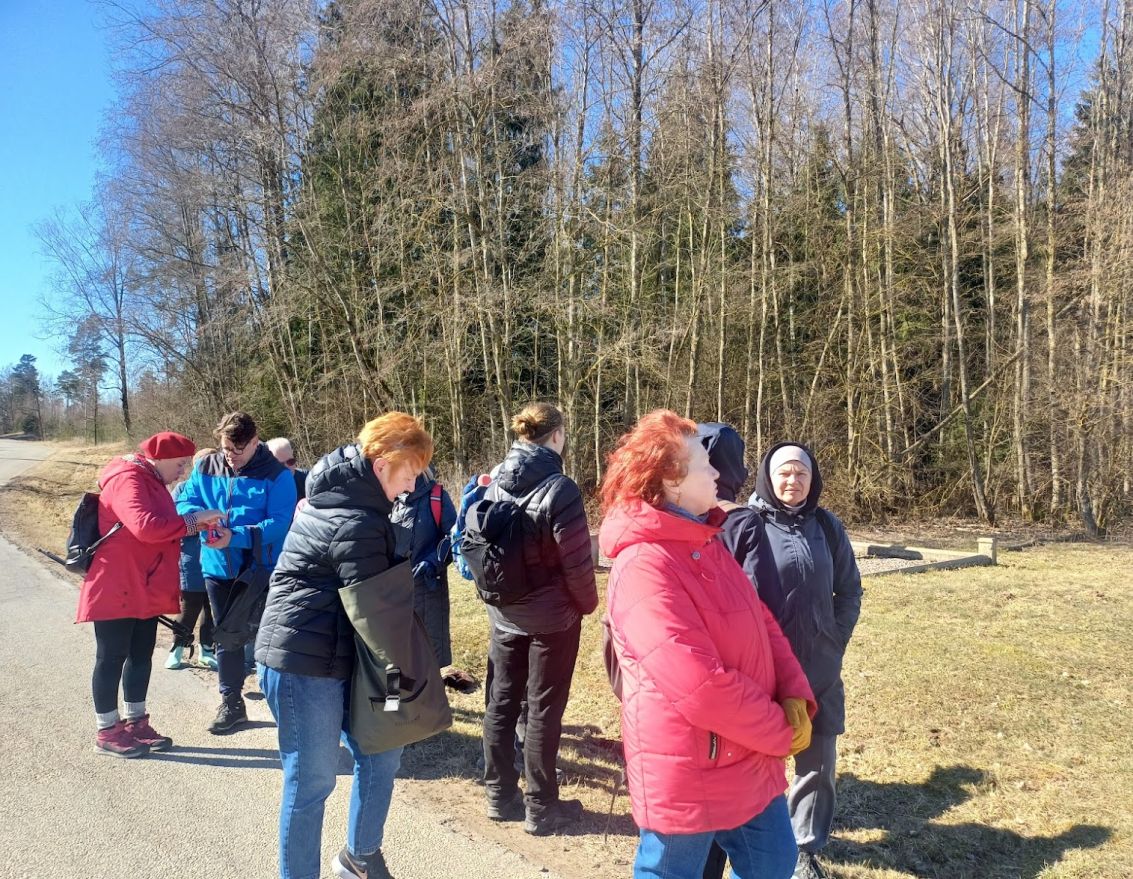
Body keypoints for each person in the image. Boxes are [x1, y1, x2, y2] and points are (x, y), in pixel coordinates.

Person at [598, 410, 816, 879]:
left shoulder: (705, 539)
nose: (717, 472)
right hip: (690, 764)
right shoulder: (643, 566)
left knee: (775, 862)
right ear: (672, 481)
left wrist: (795, 691)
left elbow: (760, 621)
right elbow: (699, 685)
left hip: (747, 755)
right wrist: (779, 730)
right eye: (704, 464)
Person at [255, 412, 433, 879]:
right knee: (311, 781)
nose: (411, 486)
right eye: (410, 473)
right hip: (302, 663)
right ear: (383, 463)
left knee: (382, 752)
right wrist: (398, 688)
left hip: (343, 654)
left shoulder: (357, 504)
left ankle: (360, 856)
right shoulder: (356, 519)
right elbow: (382, 616)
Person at [747, 443, 863, 879]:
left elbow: (849, 590)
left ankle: (803, 849)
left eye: (801, 474)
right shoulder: (746, 525)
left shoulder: (828, 527)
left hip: (818, 668)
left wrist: (835, 639)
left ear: (813, 480)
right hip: (763, 671)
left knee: (817, 763)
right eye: (784, 473)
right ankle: (759, 841)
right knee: (759, 761)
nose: (793, 481)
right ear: (767, 476)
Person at [481, 402, 597, 836]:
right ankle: (541, 807)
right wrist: (585, 605)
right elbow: (577, 562)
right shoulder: (560, 488)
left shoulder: (495, 479)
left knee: (502, 702)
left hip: (504, 612)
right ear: (556, 436)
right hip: (551, 619)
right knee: (543, 709)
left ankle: (498, 794)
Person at [76, 431, 224, 757]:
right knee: (112, 656)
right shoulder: (127, 477)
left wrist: (195, 524)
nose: (183, 471)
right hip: (116, 584)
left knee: (141, 655)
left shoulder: (152, 480)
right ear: (161, 458)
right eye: (181, 464)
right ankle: (107, 730)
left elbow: (164, 523)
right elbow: (145, 525)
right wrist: (192, 520)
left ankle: (135, 723)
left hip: (143, 584)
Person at [695, 423, 783, 879]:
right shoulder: (743, 520)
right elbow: (757, 603)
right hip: (736, 672)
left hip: (693, 669)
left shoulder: (683, 516)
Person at [176, 411, 297, 734]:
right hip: (216, 567)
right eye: (226, 448)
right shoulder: (206, 466)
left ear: (256, 442)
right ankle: (231, 702)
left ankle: (287, 705)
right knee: (226, 635)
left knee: (269, 637)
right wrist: (201, 517)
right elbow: (184, 501)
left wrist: (237, 536)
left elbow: (281, 522)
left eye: (237, 450)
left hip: (262, 569)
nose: (230, 457)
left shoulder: (277, 475)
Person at [390, 468, 476, 691]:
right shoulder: (390, 496)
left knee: (426, 653)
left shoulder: (437, 496)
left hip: (427, 589)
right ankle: (393, 705)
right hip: (393, 588)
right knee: (392, 652)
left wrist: (432, 561)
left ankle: (425, 707)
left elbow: (453, 536)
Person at [166, 447, 219, 671]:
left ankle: (206, 651)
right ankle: (177, 648)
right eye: (203, 463)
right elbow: (175, 521)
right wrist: (202, 519)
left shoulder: (222, 487)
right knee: (190, 605)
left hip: (218, 557)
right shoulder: (182, 488)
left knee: (212, 607)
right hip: (191, 556)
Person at [267, 436, 309, 502]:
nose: (287, 467)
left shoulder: (307, 480)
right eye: (280, 464)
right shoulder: (262, 490)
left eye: (290, 462)